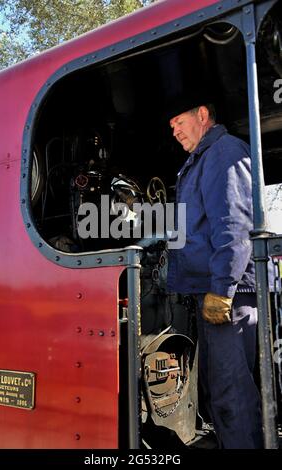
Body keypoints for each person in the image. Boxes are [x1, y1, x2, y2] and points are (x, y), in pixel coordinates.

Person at [166, 100, 264, 449]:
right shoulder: (201, 159)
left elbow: (233, 226)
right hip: (212, 290)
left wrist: (222, 289)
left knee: (230, 391)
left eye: (178, 121)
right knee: (217, 388)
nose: (174, 131)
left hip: (228, 295)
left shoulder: (222, 152)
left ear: (203, 115)